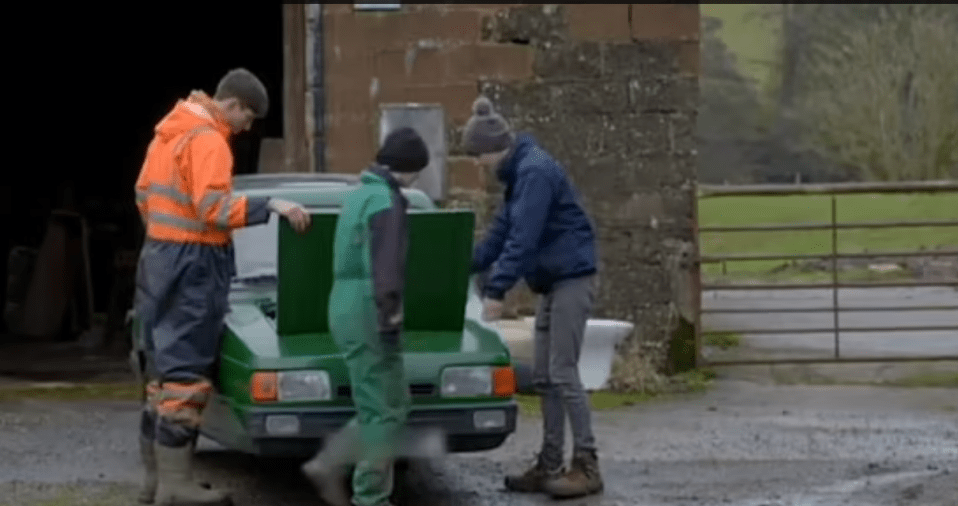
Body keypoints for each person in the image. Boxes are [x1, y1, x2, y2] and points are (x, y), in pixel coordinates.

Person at [133, 68, 311, 506]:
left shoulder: (168, 134)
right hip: (195, 262)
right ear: (232, 104)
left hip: (160, 256)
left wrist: (165, 240)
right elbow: (214, 207)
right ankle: (176, 487)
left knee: (162, 376)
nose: (247, 127)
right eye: (248, 117)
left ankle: (156, 483)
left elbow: (142, 194)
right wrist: (269, 205)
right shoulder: (209, 138)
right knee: (186, 374)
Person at [461, 96, 603, 499]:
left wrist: (496, 290)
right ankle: (550, 463)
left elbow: (522, 238)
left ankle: (587, 464)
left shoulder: (535, 172)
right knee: (543, 376)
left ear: (492, 150)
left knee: (563, 372)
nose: (477, 165)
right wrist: (459, 266)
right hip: (553, 282)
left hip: (572, 279)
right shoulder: (520, 176)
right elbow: (498, 237)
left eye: (477, 157)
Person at [301, 127, 430, 506]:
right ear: (406, 169)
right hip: (369, 309)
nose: (415, 179)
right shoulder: (386, 203)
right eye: (416, 172)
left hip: (346, 305)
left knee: (392, 405)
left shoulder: (358, 196)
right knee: (382, 411)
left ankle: (332, 461)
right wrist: (390, 320)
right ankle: (369, 497)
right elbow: (386, 270)